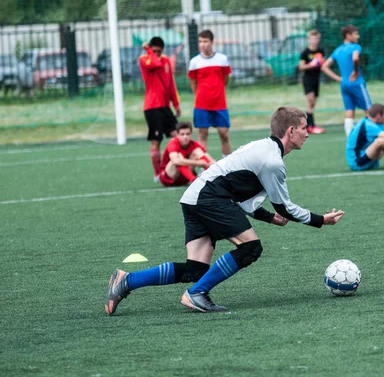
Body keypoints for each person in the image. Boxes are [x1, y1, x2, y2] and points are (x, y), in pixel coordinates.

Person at [105, 106, 345, 315]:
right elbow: (285, 207)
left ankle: (127, 280)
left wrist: (270, 218)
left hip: (195, 197)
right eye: (304, 128)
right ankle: (197, 293)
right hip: (209, 198)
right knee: (251, 247)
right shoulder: (272, 161)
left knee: (195, 269)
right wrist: (321, 220)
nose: (307, 133)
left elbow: (246, 202)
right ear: (291, 131)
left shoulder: (264, 149)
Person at [139, 36, 181, 182]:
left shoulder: (166, 61)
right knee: (157, 140)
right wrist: (149, 50)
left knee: (179, 136)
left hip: (165, 107)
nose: (156, 53)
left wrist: (176, 104)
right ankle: (158, 174)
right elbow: (154, 63)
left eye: (158, 51)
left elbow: (171, 85)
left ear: (162, 50)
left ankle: (175, 168)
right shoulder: (145, 59)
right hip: (152, 107)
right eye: (154, 50)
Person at [321, 25, 372, 137]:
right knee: (369, 110)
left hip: (344, 84)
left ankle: (350, 137)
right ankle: (371, 135)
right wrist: (354, 71)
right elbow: (355, 58)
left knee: (349, 111)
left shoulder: (338, 50)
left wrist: (338, 78)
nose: (357, 36)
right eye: (355, 34)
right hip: (357, 83)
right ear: (348, 35)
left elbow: (324, 66)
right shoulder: (355, 47)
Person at [188, 30, 232, 157]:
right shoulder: (194, 62)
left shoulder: (222, 59)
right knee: (202, 133)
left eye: (205, 41)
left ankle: (228, 165)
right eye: (200, 41)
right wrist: (201, 96)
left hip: (219, 103)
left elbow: (225, 79)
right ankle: (204, 166)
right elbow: (193, 83)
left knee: (224, 133)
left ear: (212, 42)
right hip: (202, 104)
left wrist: (216, 91)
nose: (202, 44)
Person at [157, 122, 215, 187]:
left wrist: (210, 164)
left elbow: (211, 160)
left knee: (197, 151)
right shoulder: (173, 142)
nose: (185, 137)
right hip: (169, 178)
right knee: (178, 158)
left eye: (188, 134)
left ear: (191, 134)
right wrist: (198, 163)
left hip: (184, 178)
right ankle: (194, 180)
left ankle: (214, 177)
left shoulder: (194, 144)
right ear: (177, 135)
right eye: (182, 134)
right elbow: (175, 161)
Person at [298, 29, 326, 134]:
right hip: (308, 79)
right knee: (310, 100)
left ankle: (307, 124)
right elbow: (301, 67)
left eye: (316, 39)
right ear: (309, 40)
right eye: (312, 39)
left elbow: (323, 63)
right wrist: (311, 64)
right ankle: (311, 126)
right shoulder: (305, 52)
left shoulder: (320, 51)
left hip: (316, 79)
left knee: (313, 103)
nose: (314, 41)